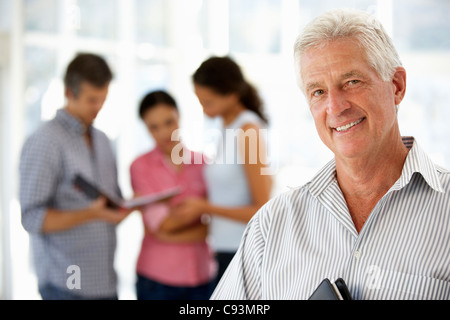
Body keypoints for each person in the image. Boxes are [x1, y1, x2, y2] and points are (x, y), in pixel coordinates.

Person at [211, 9, 450, 300]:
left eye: (352, 82)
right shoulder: (272, 225)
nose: (335, 107)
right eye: (318, 92)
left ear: (396, 86)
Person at [19, 53, 131, 300]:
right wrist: (92, 213)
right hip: (66, 285)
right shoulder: (45, 141)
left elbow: (112, 203)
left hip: (105, 281)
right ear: (70, 93)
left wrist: (127, 207)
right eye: (92, 100)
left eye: (103, 99)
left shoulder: (102, 139)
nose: (98, 107)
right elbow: (31, 217)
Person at [173, 56, 272, 283]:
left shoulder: (248, 131)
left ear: (231, 95)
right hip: (224, 248)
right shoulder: (226, 127)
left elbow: (262, 209)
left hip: (243, 251)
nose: (204, 110)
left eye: (208, 102)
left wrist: (204, 207)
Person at [130, 90, 217, 300]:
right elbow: (164, 225)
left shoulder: (203, 162)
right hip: (158, 280)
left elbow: (217, 220)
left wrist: (170, 232)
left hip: (203, 275)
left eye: (169, 122)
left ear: (179, 117)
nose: (164, 132)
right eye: (154, 127)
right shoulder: (140, 167)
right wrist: (203, 222)